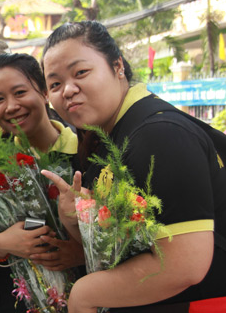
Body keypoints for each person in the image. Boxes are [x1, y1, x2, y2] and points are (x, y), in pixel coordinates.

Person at [40, 21, 226, 312]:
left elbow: (185, 265)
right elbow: (116, 250)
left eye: (81, 73)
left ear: (117, 67)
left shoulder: (159, 134)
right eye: (54, 84)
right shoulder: (112, 138)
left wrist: (87, 294)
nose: (68, 90)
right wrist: (75, 219)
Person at [0, 53, 85, 312]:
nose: (11, 106)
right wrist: (2, 242)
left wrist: (80, 253)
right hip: (21, 301)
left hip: (88, 297)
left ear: (45, 92)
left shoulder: (86, 152)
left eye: (19, 92)